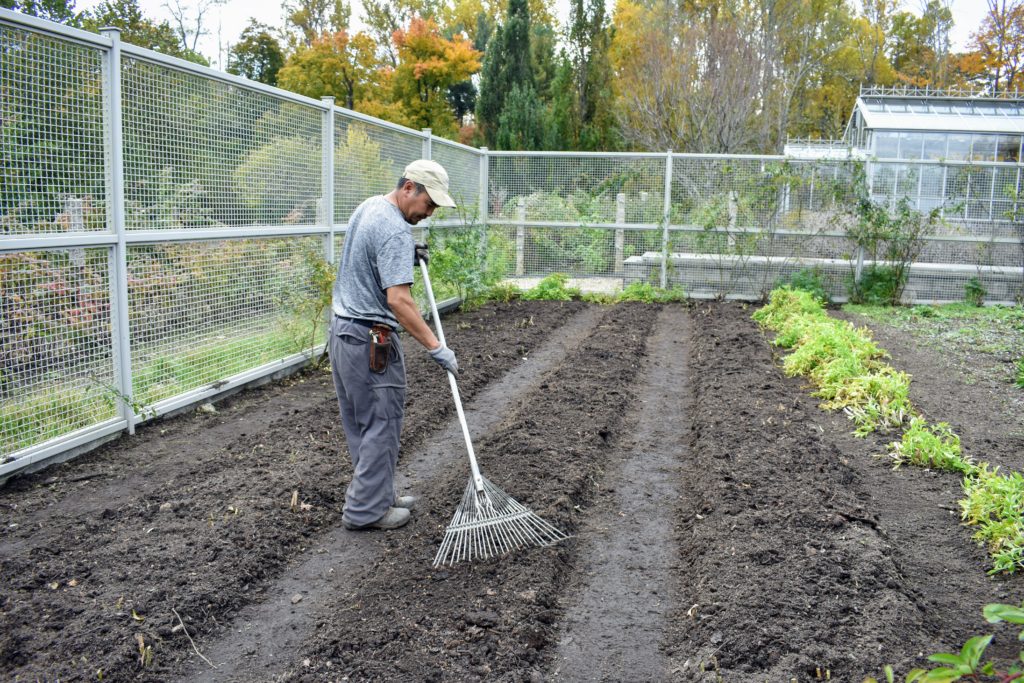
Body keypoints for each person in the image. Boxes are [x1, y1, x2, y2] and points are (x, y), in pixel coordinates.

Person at [329, 159, 460, 531]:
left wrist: (408, 256)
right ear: (408, 189)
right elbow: (399, 300)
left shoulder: (370, 207)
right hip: (372, 339)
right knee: (382, 423)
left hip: (343, 332)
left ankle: (378, 494)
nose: (429, 213)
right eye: (428, 204)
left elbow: (367, 260)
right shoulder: (395, 231)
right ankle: (365, 512)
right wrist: (436, 347)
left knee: (363, 423)